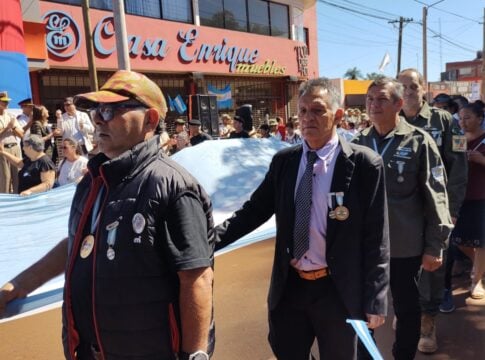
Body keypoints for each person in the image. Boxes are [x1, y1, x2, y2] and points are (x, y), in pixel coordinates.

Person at [0, 70, 215, 360]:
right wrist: (18, 286)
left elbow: (196, 278)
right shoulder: (94, 180)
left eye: (112, 109)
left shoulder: (172, 186)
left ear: (150, 120)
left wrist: (195, 356)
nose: (99, 118)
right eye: (97, 110)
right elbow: (78, 244)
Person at [215, 77, 390, 359]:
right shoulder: (285, 162)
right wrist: (207, 241)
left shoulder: (364, 165)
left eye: (318, 110)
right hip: (291, 287)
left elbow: (376, 237)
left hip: (338, 291)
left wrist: (375, 297)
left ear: (338, 115)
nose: (308, 118)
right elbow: (253, 211)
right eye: (304, 110)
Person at [353, 78, 452, 360]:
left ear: (398, 103)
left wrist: (436, 245)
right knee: (362, 309)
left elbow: (437, 195)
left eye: (381, 99)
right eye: (370, 99)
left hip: (404, 246)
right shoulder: (358, 143)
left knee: (407, 310)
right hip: (365, 247)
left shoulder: (420, 141)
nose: (373, 104)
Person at [397, 68, 467, 354]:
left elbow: (459, 167)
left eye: (414, 85)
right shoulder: (390, 120)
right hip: (399, 213)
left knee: (432, 268)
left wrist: (450, 210)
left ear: (423, 88)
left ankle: (428, 323)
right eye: (403, 86)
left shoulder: (445, 121)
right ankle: (405, 316)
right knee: (397, 267)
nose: (409, 91)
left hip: (434, 212)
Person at [450, 103, 485, 299]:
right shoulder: (458, 139)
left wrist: (481, 160)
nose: (462, 122)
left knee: (481, 241)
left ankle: (476, 280)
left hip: (481, 196)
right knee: (457, 238)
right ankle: (478, 266)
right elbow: (453, 163)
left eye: (468, 117)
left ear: (480, 118)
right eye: (460, 118)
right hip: (460, 196)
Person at [0, 91, 25, 193]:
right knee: (5, 177)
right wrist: (6, 128)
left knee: (18, 176)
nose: (6, 104)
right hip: (2, 149)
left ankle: (18, 198)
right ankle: (4, 202)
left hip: (15, 147)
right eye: (3, 101)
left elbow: (22, 134)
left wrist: (13, 127)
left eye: (7, 101)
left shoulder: (11, 116)